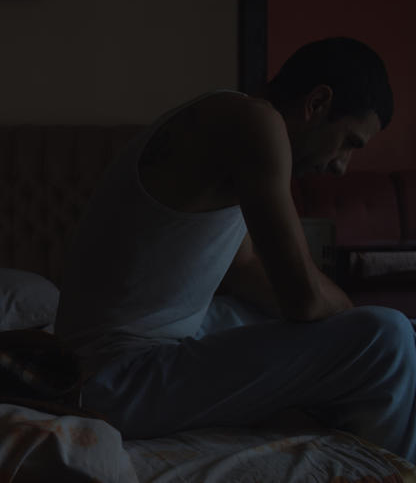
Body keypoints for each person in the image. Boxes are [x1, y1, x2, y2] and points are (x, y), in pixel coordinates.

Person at [55, 37, 416, 461]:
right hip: (116, 380)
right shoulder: (255, 122)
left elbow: (243, 266)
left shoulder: (228, 118)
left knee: (384, 332)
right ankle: (395, 465)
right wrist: (353, 319)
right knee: (388, 336)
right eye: (349, 142)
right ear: (317, 103)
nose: (341, 165)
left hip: (131, 361)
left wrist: (343, 324)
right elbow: (301, 298)